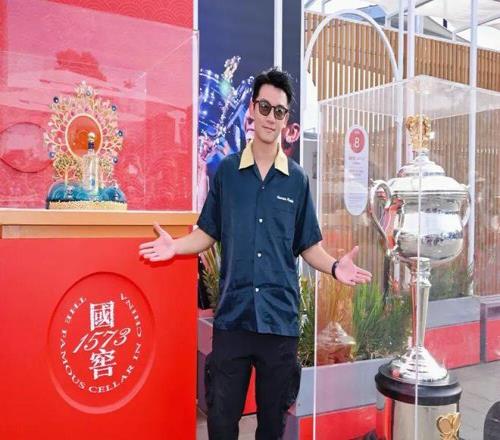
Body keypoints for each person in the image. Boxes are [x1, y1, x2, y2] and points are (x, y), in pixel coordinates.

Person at [139, 68, 372, 440]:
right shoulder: (228, 173)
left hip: (279, 324)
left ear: (286, 119)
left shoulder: (297, 180)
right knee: (221, 423)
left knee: (272, 427)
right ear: (252, 108)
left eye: (279, 111)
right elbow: (207, 232)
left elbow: (308, 245)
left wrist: (333, 266)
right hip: (233, 319)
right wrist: (175, 246)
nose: (270, 117)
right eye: (265, 107)